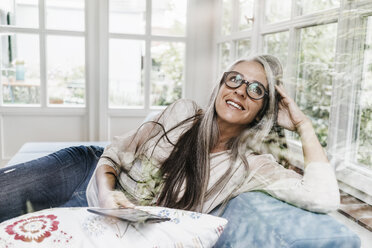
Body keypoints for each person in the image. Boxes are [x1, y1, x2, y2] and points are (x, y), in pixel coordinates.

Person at [0, 54, 340, 223]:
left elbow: (323, 198)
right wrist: (107, 193)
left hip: (118, 216)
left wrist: (303, 125)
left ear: (262, 108)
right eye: (233, 79)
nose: (239, 90)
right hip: (88, 169)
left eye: (255, 89)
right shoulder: (183, 112)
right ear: (221, 84)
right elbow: (115, 154)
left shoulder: (251, 167)